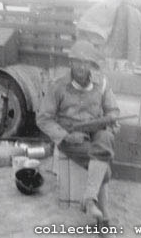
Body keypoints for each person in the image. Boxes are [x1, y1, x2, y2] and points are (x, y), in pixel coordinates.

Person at [36, 40, 120, 230]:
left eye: (86, 62)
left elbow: (113, 110)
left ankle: (89, 199)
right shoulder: (58, 86)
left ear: (91, 65)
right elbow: (43, 119)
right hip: (71, 137)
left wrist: (110, 121)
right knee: (104, 168)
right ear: (70, 63)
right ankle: (103, 221)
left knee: (106, 138)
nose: (82, 67)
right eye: (78, 62)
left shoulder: (102, 83)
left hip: (96, 133)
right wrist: (65, 136)